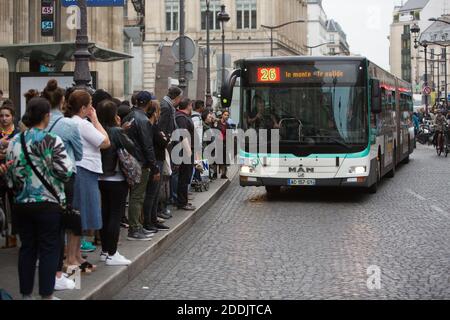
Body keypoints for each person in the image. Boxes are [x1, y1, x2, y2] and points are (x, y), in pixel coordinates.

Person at [6, 97, 73, 300]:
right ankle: (46, 295)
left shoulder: (15, 140)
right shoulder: (51, 139)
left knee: (27, 249)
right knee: (48, 249)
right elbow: (66, 172)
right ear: (46, 116)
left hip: (21, 203)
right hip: (48, 204)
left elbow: (10, 175)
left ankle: (26, 295)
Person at [42, 80, 83, 290]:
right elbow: (79, 152)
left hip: (40, 180)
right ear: (62, 101)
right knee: (64, 224)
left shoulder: (36, 126)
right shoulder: (68, 125)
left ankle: (50, 268)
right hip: (65, 178)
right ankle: (61, 272)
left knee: (47, 226)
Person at [67, 90, 110, 272]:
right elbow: (105, 141)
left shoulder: (73, 122)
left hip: (83, 170)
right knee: (80, 215)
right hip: (84, 170)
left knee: (81, 216)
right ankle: (71, 258)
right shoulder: (83, 125)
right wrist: (96, 120)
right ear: (83, 107)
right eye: (90, 104)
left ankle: (75, 256)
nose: (92, 107)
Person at [97, 100, 134, 265]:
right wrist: (122, 130)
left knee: (105, 213)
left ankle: (104, 251)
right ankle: (112, 253)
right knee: (115, 215)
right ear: (114, 115)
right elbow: (131, 146)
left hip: (100, 177)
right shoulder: (116, 131)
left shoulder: (97, 130)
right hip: (116, 177)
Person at [123, 91, 159, 241]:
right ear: (148, 103)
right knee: (137, 196)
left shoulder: (129, 116)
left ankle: (137, 226)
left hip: (128, 160)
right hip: (140, 161)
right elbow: (147, 145)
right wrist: (154, 166)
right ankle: (135, 228)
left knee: (135, 195)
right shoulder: (142, 119)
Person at [143, 99, 170, 233]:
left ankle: (153, 220)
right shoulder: (151, 126)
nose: (160, 114)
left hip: (158, 159)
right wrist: (165, 138)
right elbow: (163, 141)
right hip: (155, 161)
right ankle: (148, 221)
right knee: (151, 194)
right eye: (158, 111)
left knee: (155, 193)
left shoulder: (155, 125)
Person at [0, 102, 20, 249]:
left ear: (12, 117)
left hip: (13, 172)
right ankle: (5, 233)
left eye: (7, 115)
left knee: (14, 205)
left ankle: (13, 235)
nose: (4, 118)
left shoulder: (18, 133)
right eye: (1, 116)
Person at [175, 99, 196, 211]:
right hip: (185, 152)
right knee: (184, 177)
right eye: (191, 105)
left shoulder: (183, 116)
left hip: (187, 151)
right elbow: (183, 135)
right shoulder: (181, 118)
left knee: (186, 177)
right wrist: (188, 151)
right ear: (188, 106)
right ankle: (182, 202)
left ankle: (184, 200)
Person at [217, 110, 231, 179]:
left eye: (227, 115)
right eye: (225, 115)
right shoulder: (217, 123)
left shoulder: (228, 125)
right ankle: (214, 173)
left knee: (224, 159)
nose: (226, 116)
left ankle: (223, 174)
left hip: (224, 143)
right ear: (222, 115)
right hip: (217, 143)